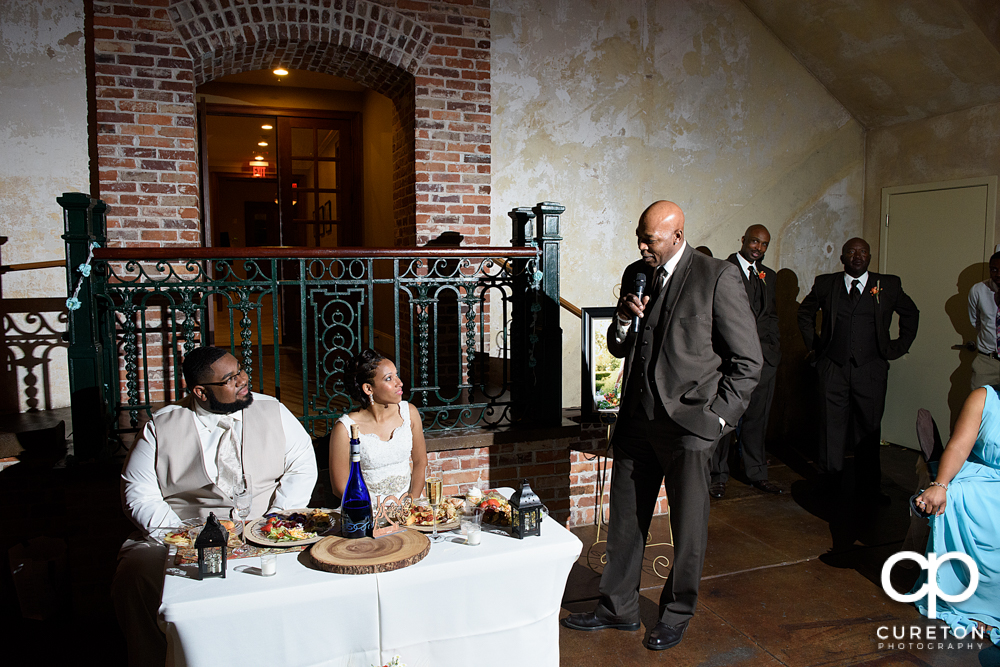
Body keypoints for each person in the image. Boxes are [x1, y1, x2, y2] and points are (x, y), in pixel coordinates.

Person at [561, 200, 762, 650]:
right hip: (636, 420)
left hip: (690, 426)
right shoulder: (638, 272)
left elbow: (748, 362)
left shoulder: (716, 276)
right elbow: (615, 345)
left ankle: (676, 613)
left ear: (676, 235)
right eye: (639, 236)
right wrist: (626, 320)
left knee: (687, 527)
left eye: (649, 239)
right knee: (626, 522)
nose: (641, 246)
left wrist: (718, 419)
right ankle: (618, 609)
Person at [112, 346, 318, 666]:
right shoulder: (160, 427)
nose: (243, 379)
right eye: (230, 378)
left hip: (264, 525)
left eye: (241, 370)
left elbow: (302, 465)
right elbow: (138, 493)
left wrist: (276, 519)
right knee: (135, 572)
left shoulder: (272, 410)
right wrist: (185, 537)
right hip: (186, 532)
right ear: (200, 391)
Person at [797, 238, 919, 501]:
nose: (857, 256)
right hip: (833, 368)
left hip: (871, 369)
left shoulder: (888, 285)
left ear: (870, 257)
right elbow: (804, 314)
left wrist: (895, 348)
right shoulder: (826, 284)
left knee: (869, 429)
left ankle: (868, 489)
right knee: (831, 427)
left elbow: (911, 313)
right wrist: (818, 350)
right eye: (851, 252)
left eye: (863, 252)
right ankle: (830, 484)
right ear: (842, 258)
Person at [912, 386, 1000, 643]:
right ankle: (973, 603)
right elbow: (960, 446)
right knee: (957, 495)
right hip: (984, 478)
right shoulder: (984, 397)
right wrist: (940, 485)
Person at [710, 224, 782, 497]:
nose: (758, 248)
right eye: (754, 242)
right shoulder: (721, 269)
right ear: (742, 240)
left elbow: (771, 315)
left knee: (756, 420)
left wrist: (773, 352)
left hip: (764, 361)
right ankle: (718, 476)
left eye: (764, 244)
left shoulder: (768, 276)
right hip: (730, 361)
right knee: (725, 419)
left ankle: (756, 473)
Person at [330, 349, 427, 500]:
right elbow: (339, 487)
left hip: (409, 510)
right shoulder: (345, 428)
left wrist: (412, 502)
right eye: (389, 378)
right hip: (367, 513)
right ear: (368, 388)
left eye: (396, 375)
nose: (399, 383)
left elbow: (420, 462)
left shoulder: (409, 413)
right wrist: (370, 513)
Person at [967, 251, 1000, 391]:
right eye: (994, 269)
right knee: (979, 408)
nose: (998, 274)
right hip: (987, 361)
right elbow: (976, 322)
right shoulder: (978, 290)